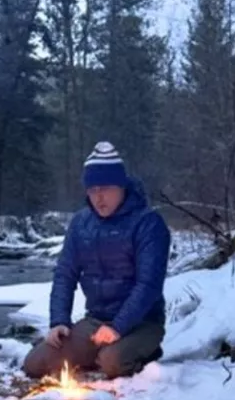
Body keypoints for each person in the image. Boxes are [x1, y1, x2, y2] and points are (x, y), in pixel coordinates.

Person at [22, 141, 172, 380]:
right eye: (92, 190)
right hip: (95, 321)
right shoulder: (81, 223)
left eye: (106, 189)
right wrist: (59, 320)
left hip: (142, 322)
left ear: (121, 186)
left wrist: (118, 327)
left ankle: (144, 352)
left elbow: (149, 285)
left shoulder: (148, 223)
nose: (98, 197)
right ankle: (98, 353)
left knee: (112, 363)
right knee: (35, 363)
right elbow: (65, 274)